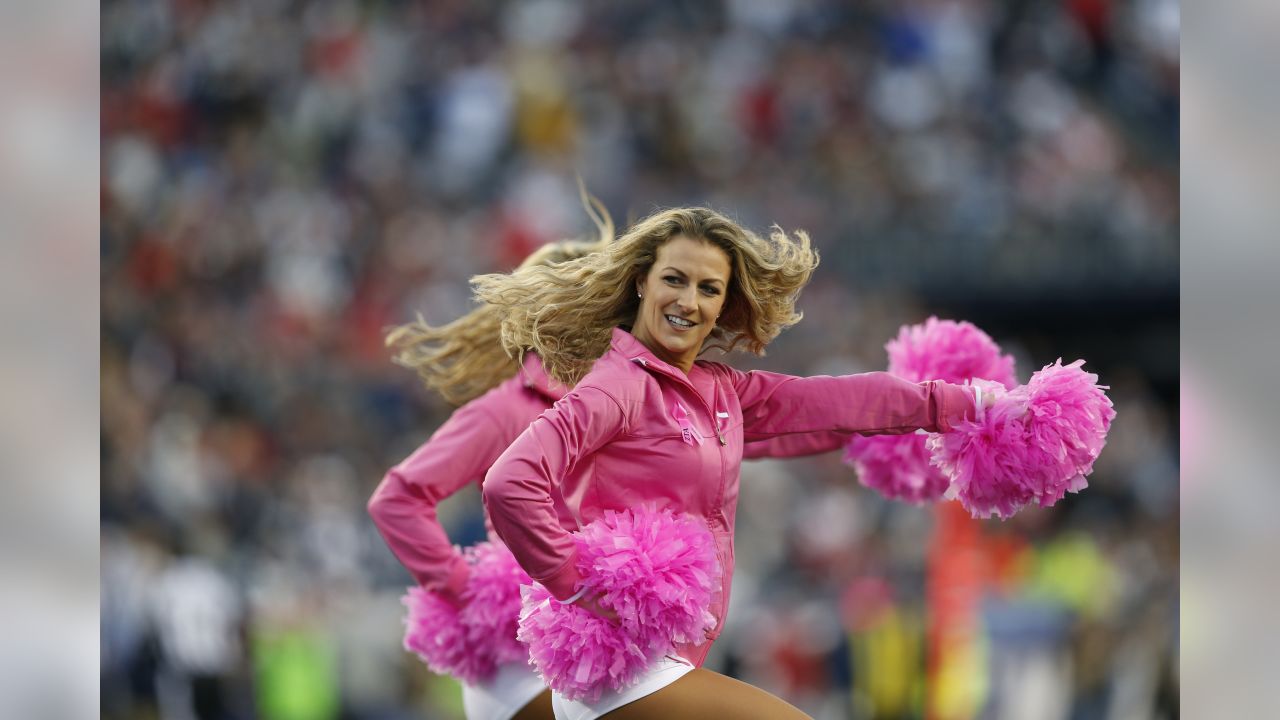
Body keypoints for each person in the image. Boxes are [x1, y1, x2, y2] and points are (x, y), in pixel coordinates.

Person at [474, 207, 989, 719]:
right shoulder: (619, 385)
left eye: (708, 288)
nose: (688, 301)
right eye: (673, 280)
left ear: (726, 303)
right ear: (639, 284)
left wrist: (965, 406)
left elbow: (837, 401)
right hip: (625, 673)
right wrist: (576, 583)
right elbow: (509, 483)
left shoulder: (719, 389)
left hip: (664, 662)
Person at [369, 216, 853, 720]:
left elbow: (751, 439)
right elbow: (399, 498)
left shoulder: (631, 402)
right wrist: (464, 590)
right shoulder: (509, 409)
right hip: (526, 656)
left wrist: (868, 428)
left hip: (591, 651)